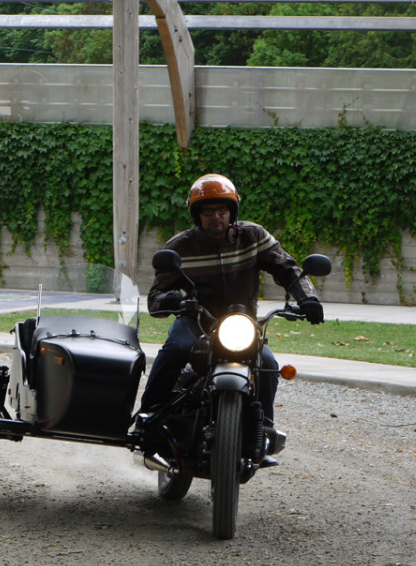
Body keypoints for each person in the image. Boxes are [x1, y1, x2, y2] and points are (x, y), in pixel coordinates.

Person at [136, 172, 324, 429]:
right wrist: (171, 300)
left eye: (223, 210)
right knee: (176, 349)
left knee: (267, 364)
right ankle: (148, 417)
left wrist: (308, 298)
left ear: (232, 211)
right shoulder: (179, 248)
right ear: (196, 214)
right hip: (196, 320)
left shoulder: (253, 236)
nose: (216, 217)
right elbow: (155, 298)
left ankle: (263, 429)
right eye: (208, 211)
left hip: (241, 323)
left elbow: (286, 267)